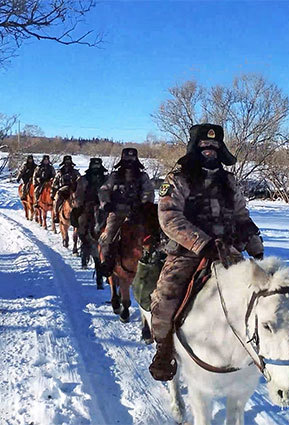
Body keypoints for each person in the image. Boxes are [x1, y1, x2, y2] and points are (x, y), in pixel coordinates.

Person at [148, 123, 264, 382]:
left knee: (258, 296)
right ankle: (164, 349)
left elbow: (241, 215)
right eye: (204, 146)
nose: (209, 151)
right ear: (194, 148)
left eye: (214, 147)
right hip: (188, 252)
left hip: (228, 252)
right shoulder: (177, 178)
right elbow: (168, 216)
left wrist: (254, 244)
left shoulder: (229, 181)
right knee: (166, 297)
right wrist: (202, 243)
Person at [97, 148, 155, 276]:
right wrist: (106, 203)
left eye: (132, 159)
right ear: (122, 159)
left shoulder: (143, 176)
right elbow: (104, 190)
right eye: (127, 159)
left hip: (138, 213)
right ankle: (107, 263)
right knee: (109, 236)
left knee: (154, 234)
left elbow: (148, 192)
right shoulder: (114, 176)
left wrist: (144, 204)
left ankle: (156, 262)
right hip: (117, 212)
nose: (129, 161)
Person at [73, 158, 109, 268]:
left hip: (104, 206)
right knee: (81, 223)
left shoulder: (107, 178)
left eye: (98, 166)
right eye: (94, 166)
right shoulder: (83, 179)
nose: (96, 168)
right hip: (88, 205)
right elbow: (79, 194)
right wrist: (79, 206)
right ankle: (84, 247)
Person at [51, 155, 81, 223]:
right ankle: (56, 215)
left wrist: (78, 186)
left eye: (69, 161)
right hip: (62, 189)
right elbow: (55, 182)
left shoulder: (75, 172)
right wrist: (52, 192)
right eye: (66, 161)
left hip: (73, 189)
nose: (68, 162)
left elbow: (80, 180)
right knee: (57, 199)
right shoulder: (60, 172)